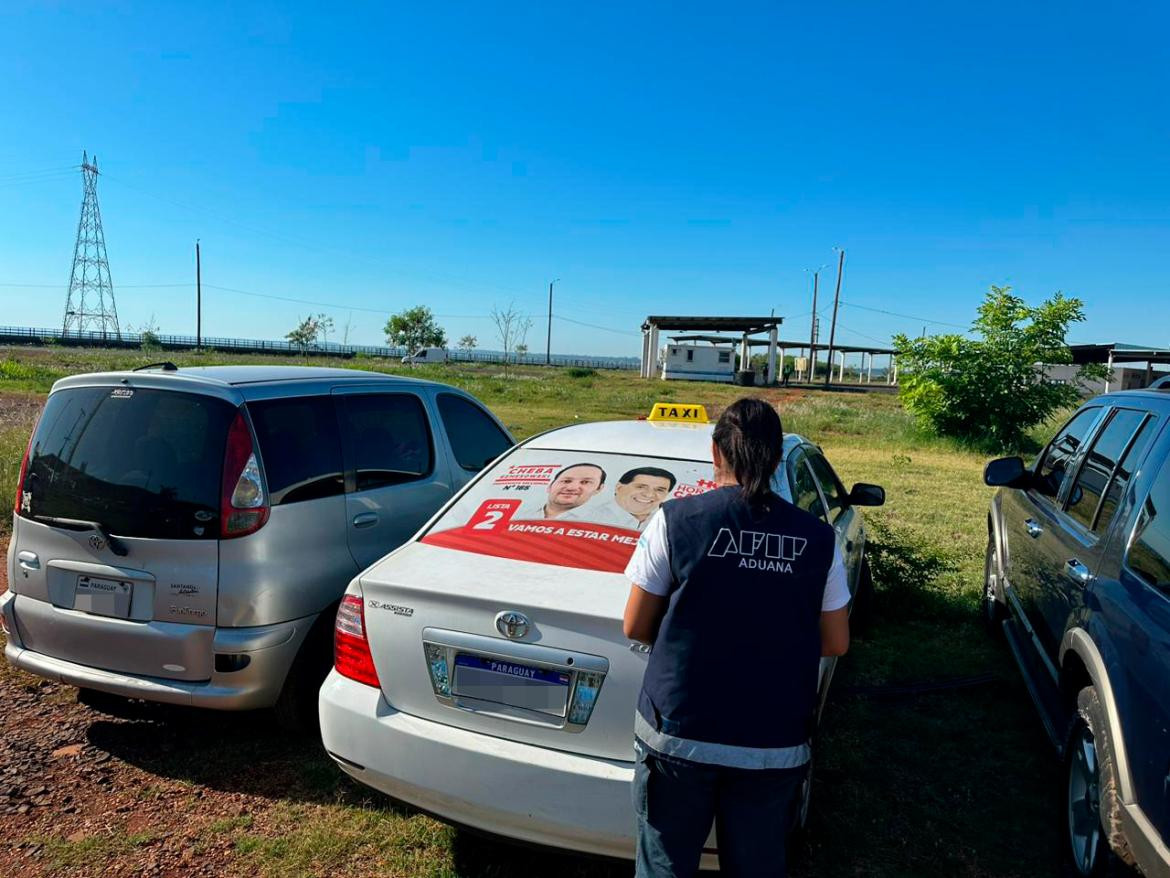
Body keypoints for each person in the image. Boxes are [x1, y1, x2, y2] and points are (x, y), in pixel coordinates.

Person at [622, 398, 851, 878]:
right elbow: (835, 641)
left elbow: (636, 626)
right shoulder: (818, 537)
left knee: (665, 865)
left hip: (679, 734)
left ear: (715, 452)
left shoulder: (675, 519)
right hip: (773, 739)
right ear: (773, 458)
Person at [565, 466, 677, 532]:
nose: (649, 494)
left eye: (660, 490)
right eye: (640, 487)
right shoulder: (581, 518)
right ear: (619, 488)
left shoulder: (671, 524)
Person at [524, 462, 606, 519]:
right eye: (566, 481)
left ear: (598, 489)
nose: (571, 488)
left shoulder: (604, 521)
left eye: (585, 482)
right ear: (550, 486)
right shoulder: (520, 514)